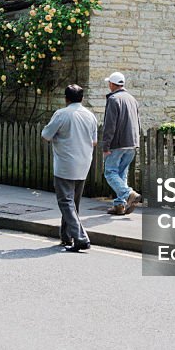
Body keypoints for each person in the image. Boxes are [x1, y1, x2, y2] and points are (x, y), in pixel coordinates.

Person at [42, 84, 98, 252]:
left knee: (65, 202)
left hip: (65, 164)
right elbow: (94, 141)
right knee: (73, 203)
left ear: (66, 99)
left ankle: (80, 238)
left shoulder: (61, 114)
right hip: (84, 163)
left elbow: (46, 135)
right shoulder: (90, 116)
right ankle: (66, 237)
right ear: (82, 98)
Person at [101, 71, 141, 215]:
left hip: (118, 143)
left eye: (109, 83)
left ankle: (128, 194)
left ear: (112, 84)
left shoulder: (113, 99)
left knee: (110, 172)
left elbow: (109, 125)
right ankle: (119, 206)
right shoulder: (132, 99)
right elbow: (138, 122)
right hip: (132, 142)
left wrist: (105, 146)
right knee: (122, 173)